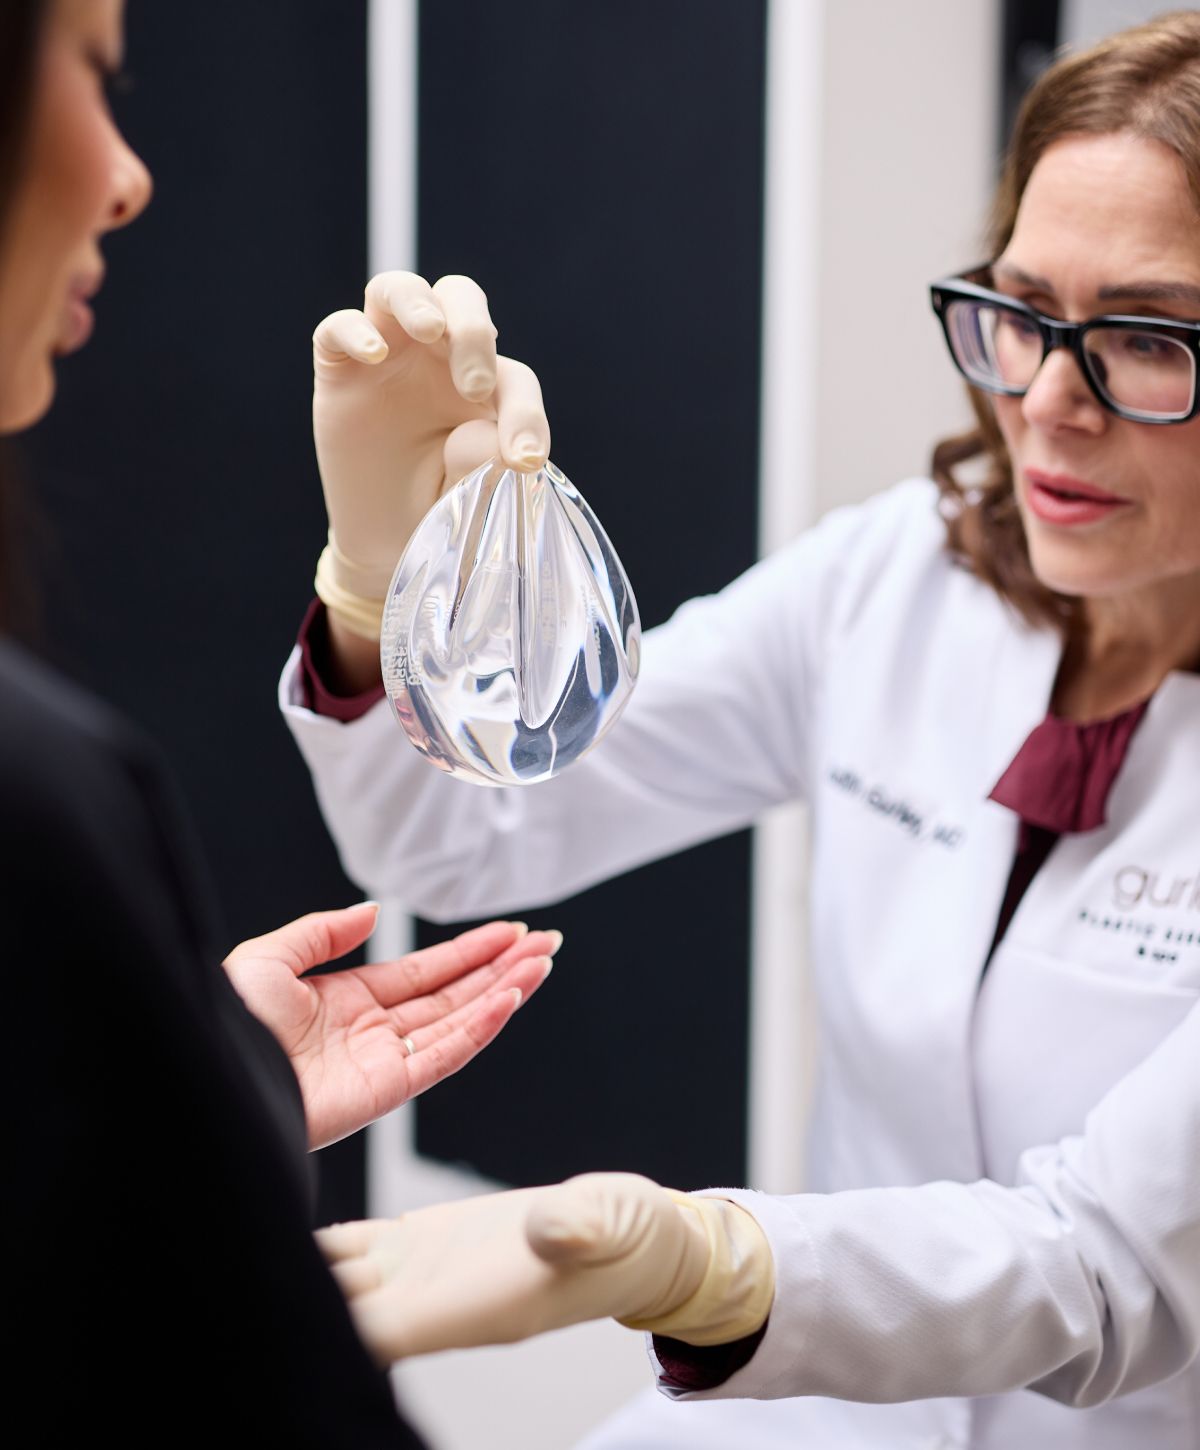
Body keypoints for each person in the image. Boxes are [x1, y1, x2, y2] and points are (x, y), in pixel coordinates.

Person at [281, 10, 1200, 1449]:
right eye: (1020, 314)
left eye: (1145, 337)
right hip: (826, 1413)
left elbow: (1111, 1262)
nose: (1051, 404)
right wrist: (379, 580)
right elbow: (456, 835)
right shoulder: (898, 584)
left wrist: (709, 1263)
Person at [1, 3, 559, 1443]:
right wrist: (378, 596)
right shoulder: (38, 788)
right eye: (89, 75)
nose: (125, 174)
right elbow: (461, 833)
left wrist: (191, 1074)